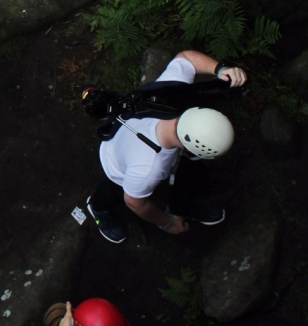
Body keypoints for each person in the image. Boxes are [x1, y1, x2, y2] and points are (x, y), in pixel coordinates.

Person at [86, 50, 248, 243]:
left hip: (145, 135)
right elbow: (134, 202)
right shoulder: (148, 168)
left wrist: (221, 69)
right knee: (116, 185)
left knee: (190, 168)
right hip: (117, 158)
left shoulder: (175, 96)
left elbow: (186, 58)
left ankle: (180, 207)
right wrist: (166, 222)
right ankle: (97, 207)